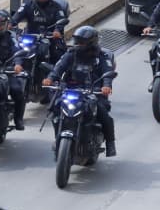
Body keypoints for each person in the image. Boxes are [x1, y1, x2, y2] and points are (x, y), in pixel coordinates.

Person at [42, 25, 118, 157]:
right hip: (70, 90)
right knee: (55, 110)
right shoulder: (71, 54)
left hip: (93, 92)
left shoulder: (102, 57)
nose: (78, 44)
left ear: (91, 42)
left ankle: (110, 144)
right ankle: (58, 138)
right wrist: (50, 78)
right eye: (77, 41)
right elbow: (58, 68)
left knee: (104, 114)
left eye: (81, 42)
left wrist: (106, 85)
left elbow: (108, 72)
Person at [11, 0, 70, 100]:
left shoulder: (56, 7)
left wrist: (57, 31)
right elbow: (16, 17)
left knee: (59, 55)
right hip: (30, 37)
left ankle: (55, 83)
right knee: (14, 51)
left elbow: (61, 21)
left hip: (49, 38)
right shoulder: (28, 5)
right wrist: (10, 25)